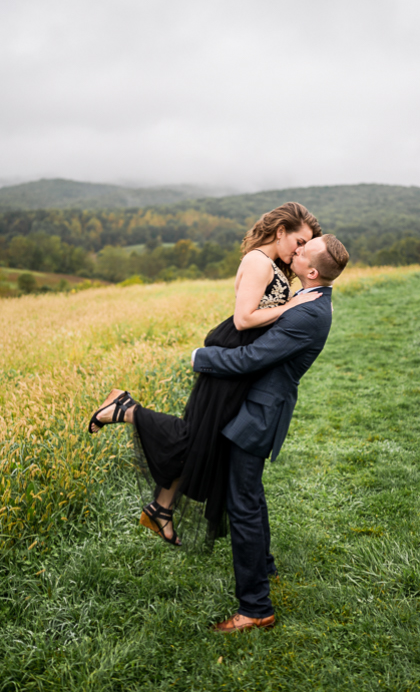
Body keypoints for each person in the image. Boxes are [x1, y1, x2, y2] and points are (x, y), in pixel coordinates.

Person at [87, 202, 323, 547]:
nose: (301, 250)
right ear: (281, 231)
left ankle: (160, 510)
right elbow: (244, 319)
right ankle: (126, 409)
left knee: (202, 439)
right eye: (299, 242)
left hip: (242, 361)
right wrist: (292, 306)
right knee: (194, 437)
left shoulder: (271, 264)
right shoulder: (258, 262)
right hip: (233, 356)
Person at [193, 232, 349, 632]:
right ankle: (266, 567)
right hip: (260, 409)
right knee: (251, 496)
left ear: (312, 271)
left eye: (302, 252)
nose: (295, 251)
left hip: (258, 416)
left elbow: (251, 359)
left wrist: (201, 356)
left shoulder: (306, 315)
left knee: (242, 503)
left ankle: (255, 607)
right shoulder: (309, 299)